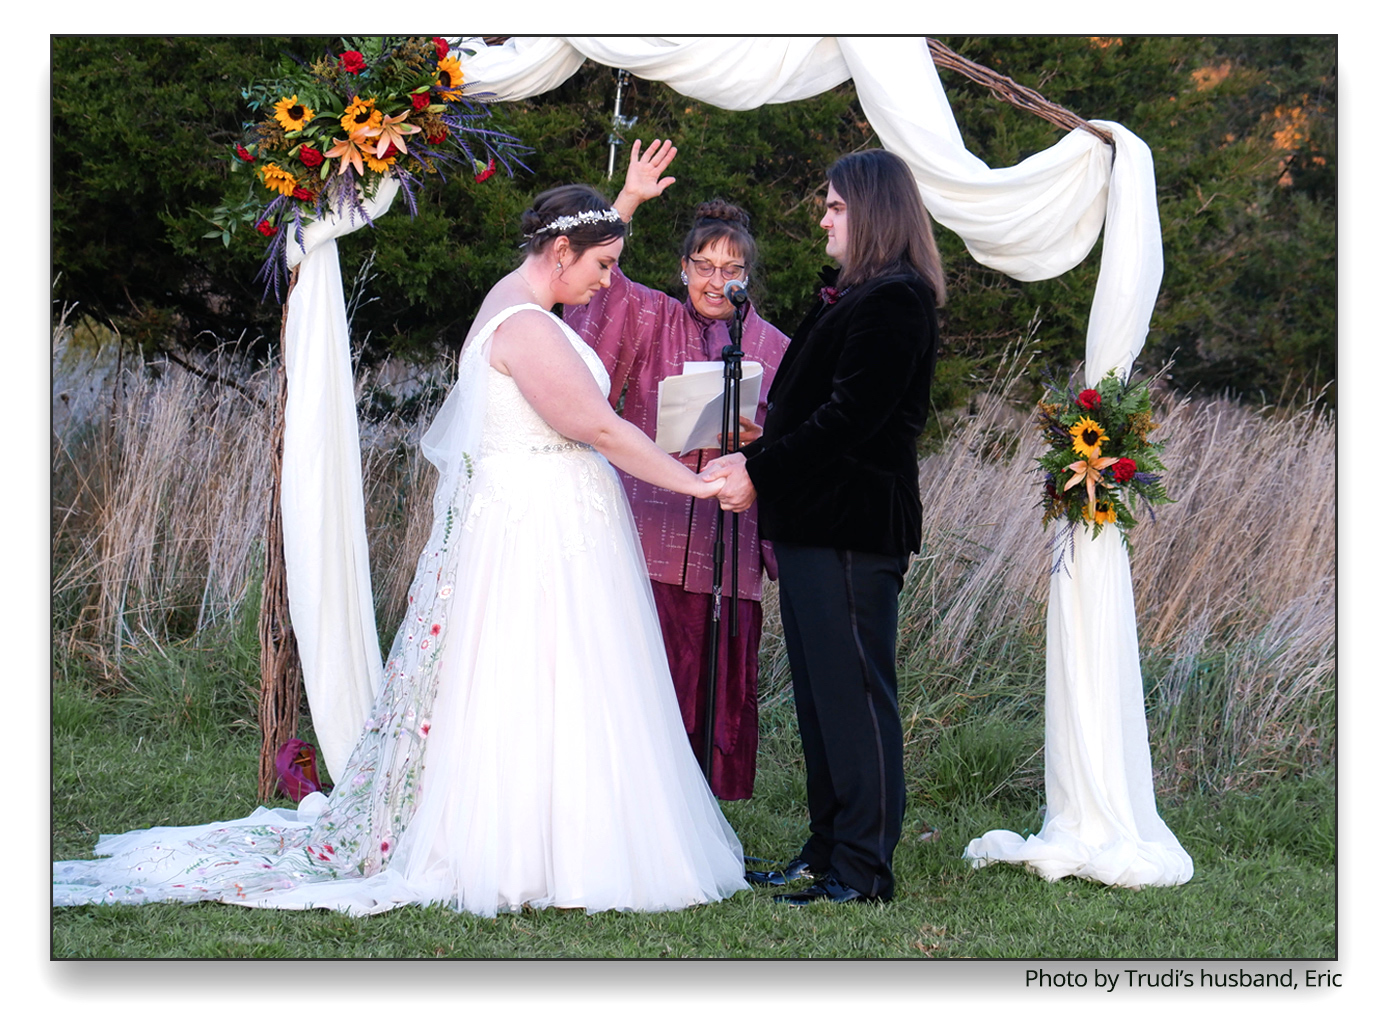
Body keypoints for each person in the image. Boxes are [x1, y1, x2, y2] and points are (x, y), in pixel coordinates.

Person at [53, 185, 750, 918]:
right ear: (560, 253)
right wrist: (696, 486)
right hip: (538, 531)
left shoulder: (520, 306)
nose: (607, 281)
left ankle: (557, 839)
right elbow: (600, 429)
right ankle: (532, 850)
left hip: (548, 523)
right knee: (541, 677)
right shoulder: (528, 329)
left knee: (558, 678)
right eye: (602, 265)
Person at [705, 149, 945, 905]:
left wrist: (759, 468)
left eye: (835, 206)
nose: (823, 218)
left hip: (853, 527)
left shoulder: (897, 300)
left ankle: (864, 869)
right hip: (814, 524)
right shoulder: (851, 294)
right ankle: (826, 849)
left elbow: (851, 420)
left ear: (872, 212)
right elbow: (810, 406)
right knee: (819, 699)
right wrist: (755, 438)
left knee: (856, 698)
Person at [564, 140, 789, 801]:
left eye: (731, 268)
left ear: (748, 275)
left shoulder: (772, 345)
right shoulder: (653, 316)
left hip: (728, 546)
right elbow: (591, 296)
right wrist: (627, 200)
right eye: (703, 265)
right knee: (637, 678)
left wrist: (761, 438)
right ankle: (629, 806)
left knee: (712, 681)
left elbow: (797, 438)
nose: (716, 280)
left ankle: (699, 811)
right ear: (683, 267)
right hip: (647, 536)